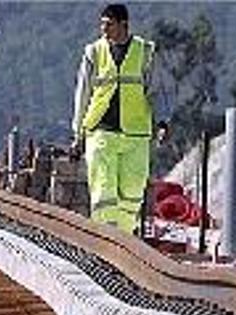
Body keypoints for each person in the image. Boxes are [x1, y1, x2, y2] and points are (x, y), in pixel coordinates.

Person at [71, 3, 168, 235]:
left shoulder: (146, 52)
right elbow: (82, 93)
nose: (103, 30)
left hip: (136, 134)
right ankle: (105, 242)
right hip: (100, 131)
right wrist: (78, 133)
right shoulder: (93, 52)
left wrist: (162, 121)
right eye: (102, 24)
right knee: (104, 192)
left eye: (108, 24)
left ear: (124, 24)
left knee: (132, 195)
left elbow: (158, 90)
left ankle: (123, 240)